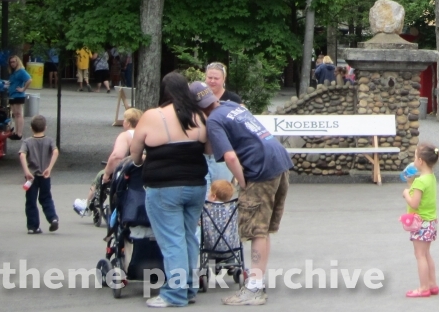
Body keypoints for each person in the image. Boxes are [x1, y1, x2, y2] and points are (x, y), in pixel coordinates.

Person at [196, 81, 292, 306]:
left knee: (256, 230)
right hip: (279, 160)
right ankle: (257, 282)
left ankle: (254, 288)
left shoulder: (214, 120)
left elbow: (230, 157)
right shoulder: (230, 106)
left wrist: (242, 182)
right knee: (264, 229)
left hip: (259, 169)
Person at [130, 73, 208, 308]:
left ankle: (174, 293)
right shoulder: (199, 116)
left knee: (172, 240)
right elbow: (209, 150)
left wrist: (140, 161)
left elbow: (135, 152)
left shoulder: (152, 116)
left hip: (164, 188)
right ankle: (189, 288)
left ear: (163, 91)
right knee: (189, 236)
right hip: (196, 185)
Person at [74, 107, 142, 218]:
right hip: (144, 170)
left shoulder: (126, 136)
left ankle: (87, 204)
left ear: (128, 123)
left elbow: (117, 156)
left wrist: (107, 173)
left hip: (128, 171)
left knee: (100, 175)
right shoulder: (146, 134)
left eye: (124, 119)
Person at [402, 143, 439, 298]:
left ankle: (423, 287)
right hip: (430, 221)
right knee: (426, 253)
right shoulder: (430, 178)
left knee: (420, 255)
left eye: (415, 157)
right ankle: (432, 284)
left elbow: (414, 203)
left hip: (420, 223)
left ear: (420, 161)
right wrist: (411, 184)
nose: (413, 160)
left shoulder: (420, 181)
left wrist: (406, 193)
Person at [20, 115, 60, 234]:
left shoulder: (27, 142)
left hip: (31, 177)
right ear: (45, 127)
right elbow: (55, 152)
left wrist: (26, 171)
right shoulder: (50, 141)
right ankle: (53, 218)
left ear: (31, 128)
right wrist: (49, 168)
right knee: (46, 198)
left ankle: (33, 227)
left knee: (31, 201)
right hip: (45, 175)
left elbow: (22, 155)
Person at [6, 56, 32, 140]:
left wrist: (23, 89)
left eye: (14, 62)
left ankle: (19, 133)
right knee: (15, 114)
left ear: (18, 62)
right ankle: (16, 132)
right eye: (11, 62)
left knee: (19, 114)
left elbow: (29, 79)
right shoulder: (13, 72)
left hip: (18, 95)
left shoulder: (21, 71)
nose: (12, 64)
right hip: (12, 94)